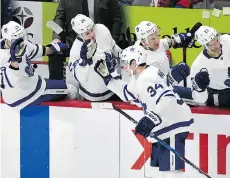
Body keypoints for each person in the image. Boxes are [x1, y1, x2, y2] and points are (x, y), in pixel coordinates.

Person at [94, 45, 193, 178]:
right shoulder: (141, 77)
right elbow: (127, 94)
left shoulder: (147, 78)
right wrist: (108, 79)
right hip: (165, 126)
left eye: (125, 63)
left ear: (134, 63)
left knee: (172, 172)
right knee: (162, 170)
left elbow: (167, 98)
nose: (123, 67)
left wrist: (151, 118)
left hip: (172, 126)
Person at [0, 21, 77, 110]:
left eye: (22, 37)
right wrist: (14, 62)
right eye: (17, 40)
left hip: (31, 83)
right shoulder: (3, 58)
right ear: (7, 41)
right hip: (24, 94)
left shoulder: (20, 44)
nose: (22, 42)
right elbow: (11, 83)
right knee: (72, 90)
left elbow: (39, 50)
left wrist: (56, 47)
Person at [48, 0, 123, 80]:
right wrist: (56, 38)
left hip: (99, 38)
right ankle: (57, 87)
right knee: (55, 51)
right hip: (73, 40)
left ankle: (114, 84)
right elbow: (59, 18)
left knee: (111, 58)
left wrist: (111, 39)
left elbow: (117, 19)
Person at [68, 14, 122, 101]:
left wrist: (122, 54)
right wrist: (83, 61)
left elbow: (112, 46)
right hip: (91, 96)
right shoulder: (76, 49)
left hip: (113, 89)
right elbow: (80, 77)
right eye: (87, 33)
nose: (92, 34)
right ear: (80, 35)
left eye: (92, 29)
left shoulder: (102, 29)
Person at [179, 26, 230, 107]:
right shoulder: (198, 65)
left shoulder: (227, 40)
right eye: (211, 45)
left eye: (216, 41)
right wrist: (200, 89)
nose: (216, 46)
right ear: (204, 46)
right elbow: (200, 100)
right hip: (219, 97)